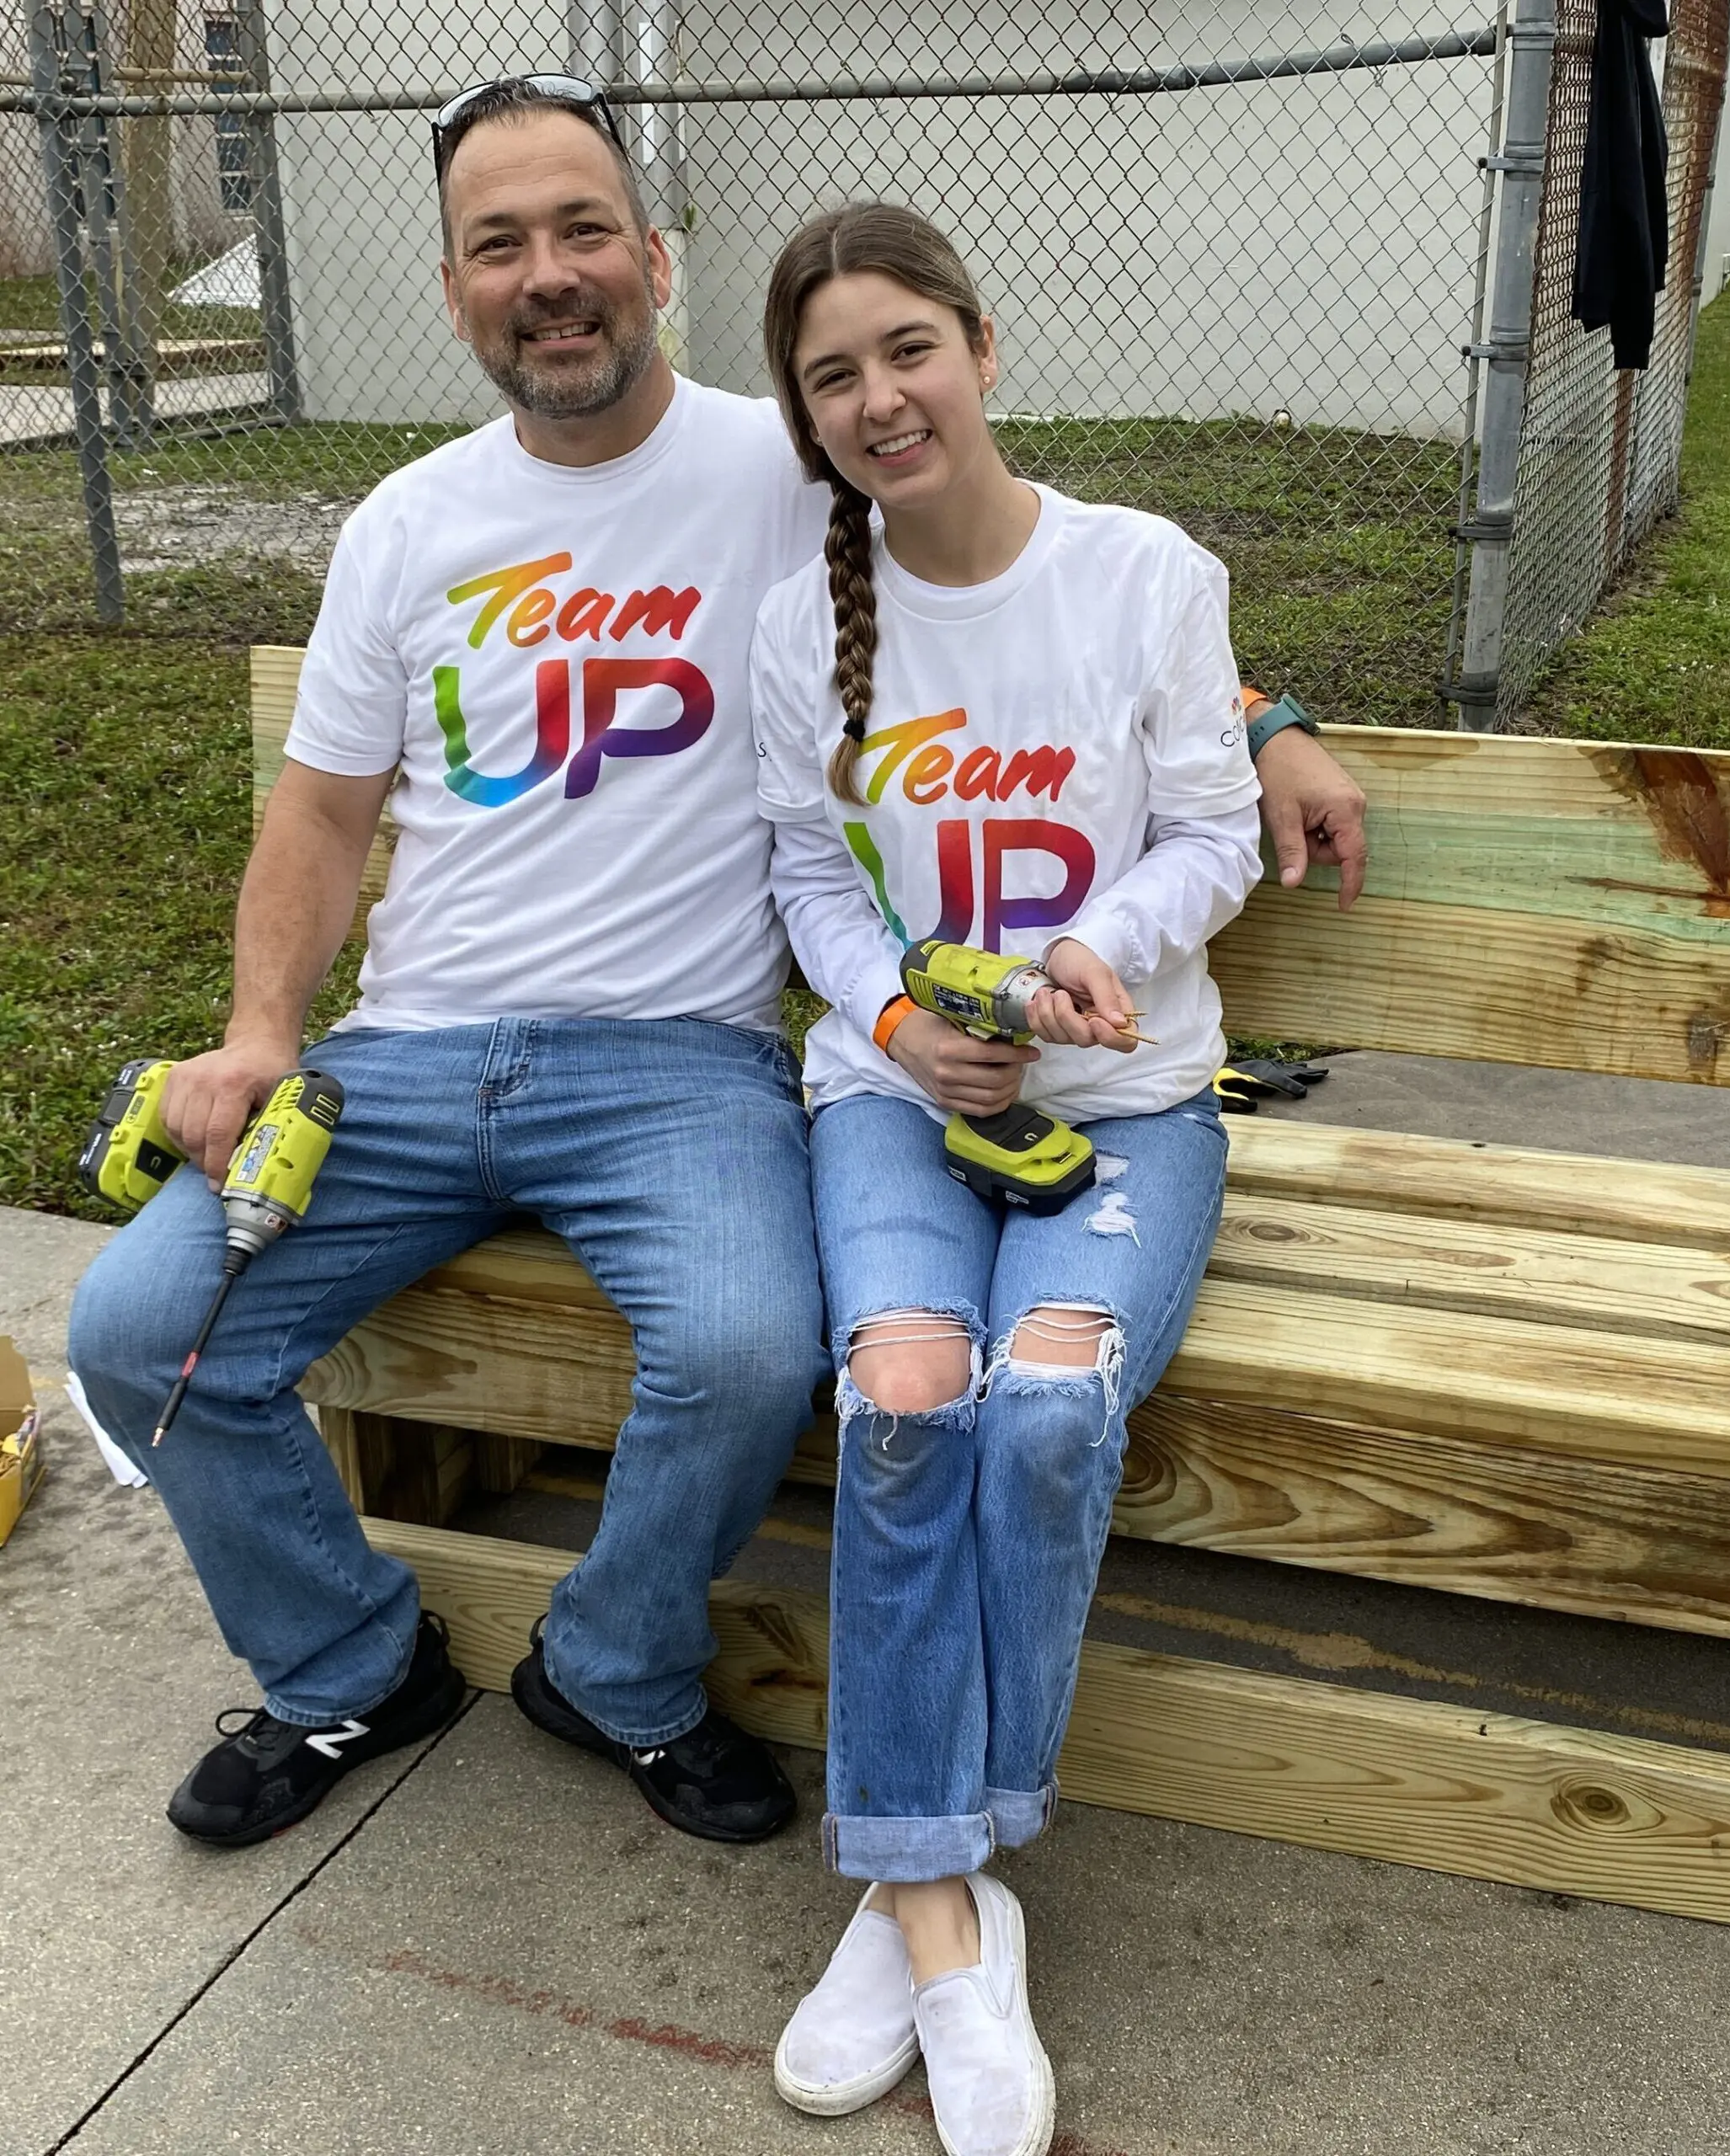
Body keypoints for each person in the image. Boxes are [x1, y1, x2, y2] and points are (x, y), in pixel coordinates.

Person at [63, 79, 1369, 1855]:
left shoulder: (795, 452)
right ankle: (349, 1660)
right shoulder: (404, 525)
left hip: (675, 1064)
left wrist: (1264, 715)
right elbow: (315, 817)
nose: (550, 275)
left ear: (652, 256)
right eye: (500, 243)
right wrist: (256, 1036)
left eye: (582, 229)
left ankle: (611, 1662)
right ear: (452, 285)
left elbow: (1026, 584)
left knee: (757, 1346)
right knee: (140, 1330)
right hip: (410, 1057)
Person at [750, 200, 1264, 2156]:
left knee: (1045, 1401)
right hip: (892, 1100)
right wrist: (893, 1023)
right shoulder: (810, 616)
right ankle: (951, 1922)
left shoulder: (1142, 574)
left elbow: (1214, 833)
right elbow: (807, 874)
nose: (878, 399)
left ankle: (916, 1865)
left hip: (1123, 1102)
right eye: (830, 375)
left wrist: (1096, 954)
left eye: (906, 350)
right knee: (902, 1390)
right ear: (805, 416)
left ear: (978, 345)